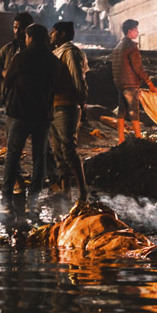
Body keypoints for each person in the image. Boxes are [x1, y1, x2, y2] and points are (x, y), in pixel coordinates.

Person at [0, 23, 64, 215]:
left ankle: (6, 201)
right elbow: (58, 86)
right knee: (39, 157)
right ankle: (33, 202)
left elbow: (8, 81)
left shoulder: (20, 58)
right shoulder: (54, 61)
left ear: (30, 38)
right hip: (43, 115)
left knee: (12, 155)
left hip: (20, 113)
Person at [49, 21, 90, 202]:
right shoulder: (58, 52)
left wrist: (82, 103)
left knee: (69, 150)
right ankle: (66, 192)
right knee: (59, 152)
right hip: (55, 107)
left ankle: (82, 193)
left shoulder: (70, 53)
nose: (51, 35)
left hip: (67, 107)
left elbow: (78, 80)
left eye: (54, 32)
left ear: (62, 34)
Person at [111, 19, 157, 144]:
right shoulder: (131, 47)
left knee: (122, 110)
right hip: (130, 83)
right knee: (133, 110)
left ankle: (120, 139)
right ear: (130, 31)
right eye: (136, 29)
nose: (137, 32)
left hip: (120, 83)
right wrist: (150, 83)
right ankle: (138, 138)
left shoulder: (117, 48)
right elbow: (138, 68)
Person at [0, 12, 34, 87]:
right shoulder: (8, 49)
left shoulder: (36, 50)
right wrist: (2, 72)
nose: (16, 31)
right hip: (10, 97)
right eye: (15, 28)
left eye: (20, 29)